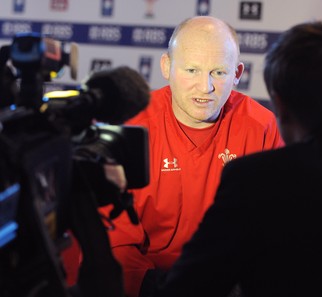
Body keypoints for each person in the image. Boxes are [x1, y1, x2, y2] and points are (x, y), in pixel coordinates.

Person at [151, 20, 322, 297]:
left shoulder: (255, 179)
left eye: (217, 72)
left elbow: (191, 286)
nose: (206, 86)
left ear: (278, 103)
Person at [98, 15, 284, 297]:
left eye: (219, 72)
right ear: (167, 67)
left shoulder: (262, 127)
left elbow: (275, 231)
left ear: (237, 73)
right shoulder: (132, 127)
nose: (205, 87)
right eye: (192, 70)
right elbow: (113, 240)